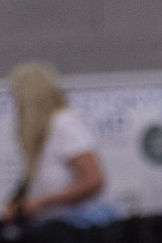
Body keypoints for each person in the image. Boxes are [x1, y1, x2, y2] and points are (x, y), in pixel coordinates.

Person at [6, 61, 109, 226]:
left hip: (74, 226)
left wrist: (42, 201)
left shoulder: (63, 124)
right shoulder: (42, 133)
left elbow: (93, 180)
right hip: (51, 224)